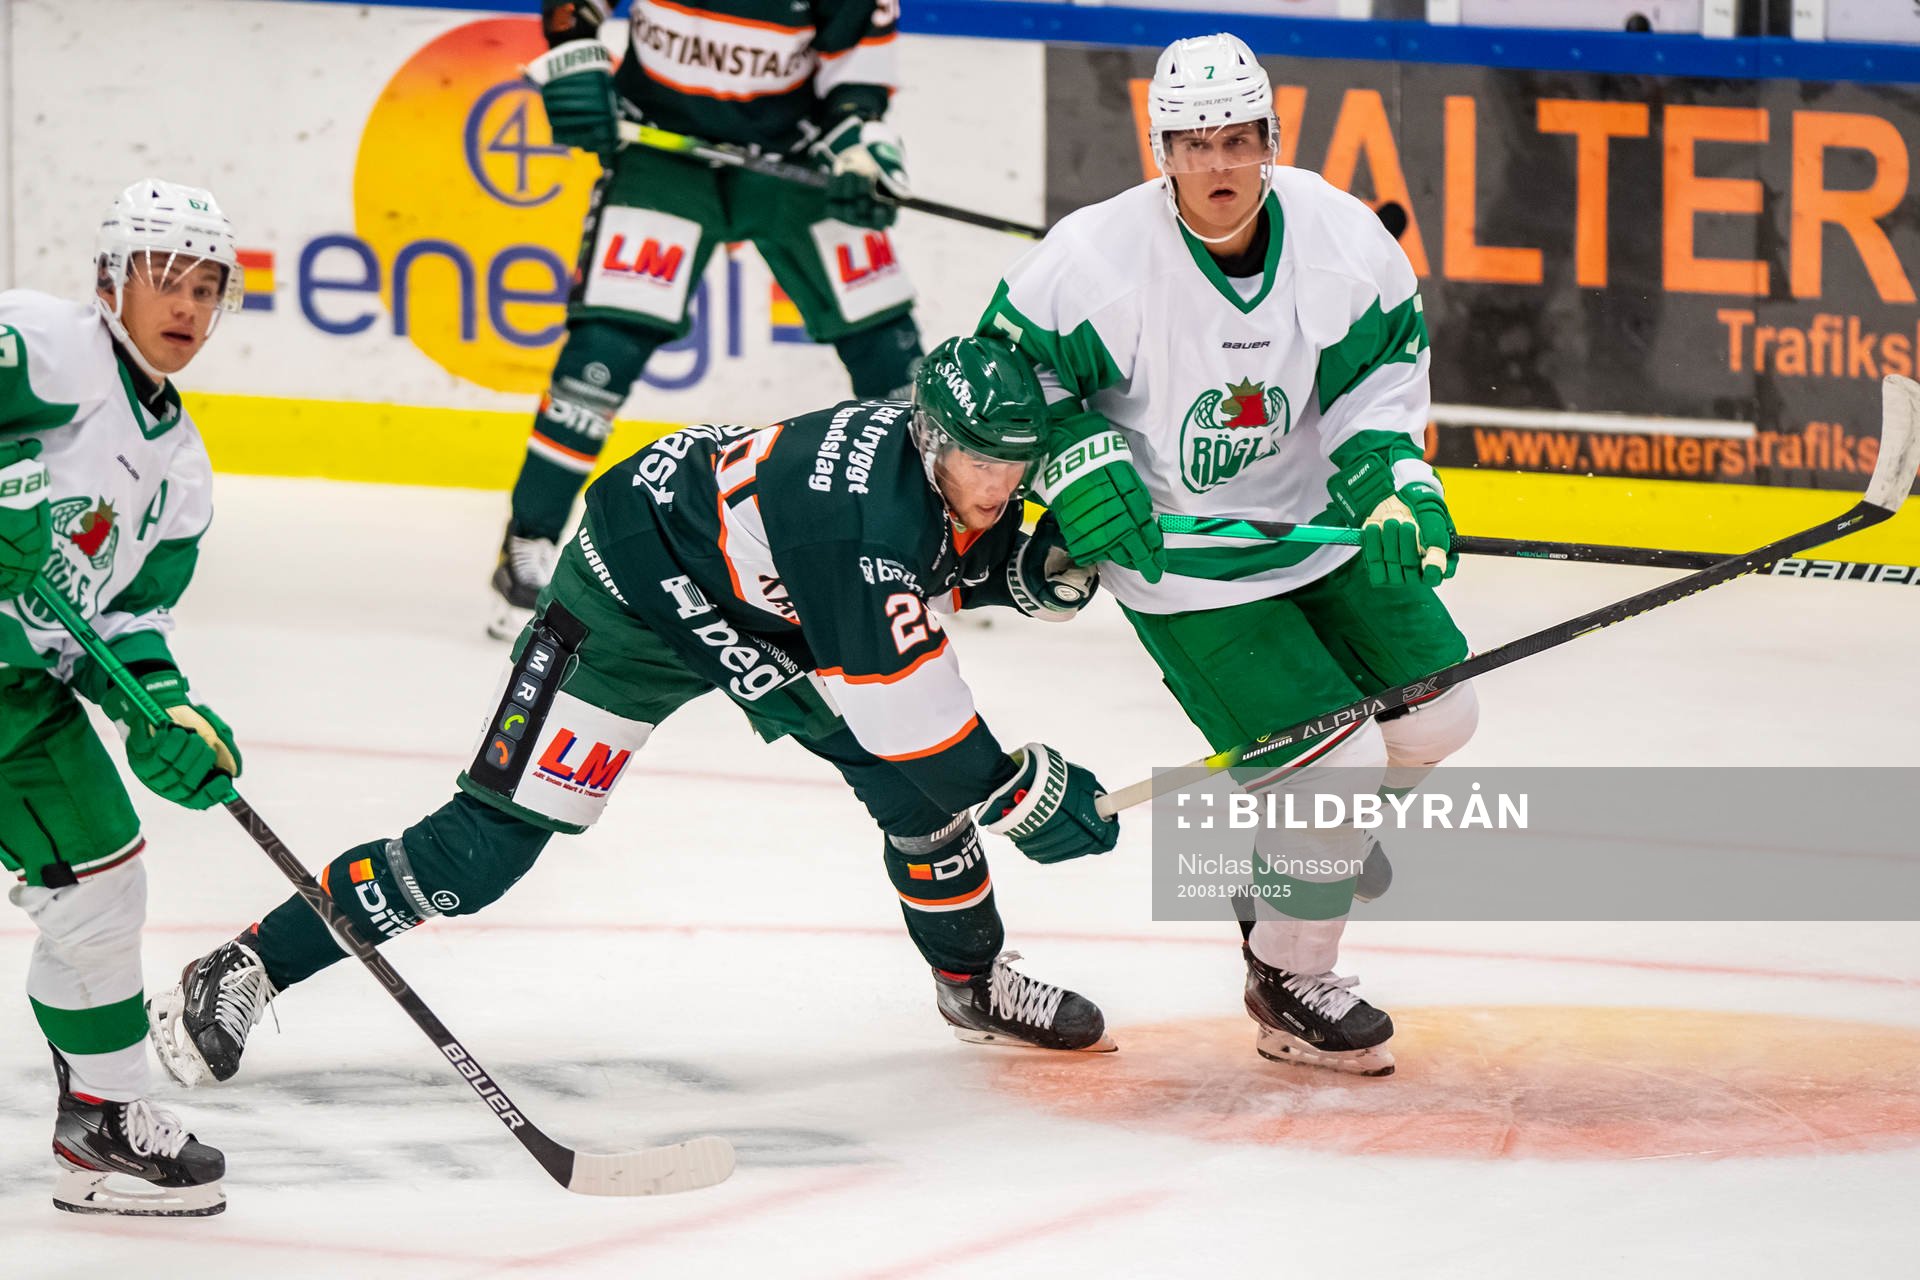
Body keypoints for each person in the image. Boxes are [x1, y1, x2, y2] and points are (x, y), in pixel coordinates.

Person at [148, 336, 1119, 1090]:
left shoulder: (917, 472)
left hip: (760, 595)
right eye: (982, 466)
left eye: (1013, 467)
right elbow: (920, 716)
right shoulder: (862, 520)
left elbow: (937, 562)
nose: (998, 488)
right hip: (631, 587)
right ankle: (247, 964)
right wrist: (1016, 788)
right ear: (934, 440)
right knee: (479, 853)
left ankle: (972, 980)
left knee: (911, 793)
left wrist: (1017, 569)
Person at [978, 34, 1480, 1076]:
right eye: (1194, 143)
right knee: (1333, 771)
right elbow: (1006, 374)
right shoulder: (1096, 259)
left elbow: (1378, 383)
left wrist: (1397, 484)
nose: (1218, 166)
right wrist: (1074, 458)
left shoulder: (1341, 242)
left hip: (1315, 525)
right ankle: (1289, 977)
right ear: (1159, 147)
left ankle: (1290, 862)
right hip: (1184, 565)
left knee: (1440, 714)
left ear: (1271, 139)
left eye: (1238, 140)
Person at [491, 0, 924, 637]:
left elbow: (854, 72)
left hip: (790, 156)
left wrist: (859, 145)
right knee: (600, 357)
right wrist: (574, 54)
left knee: (890, 352)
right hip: (662, 150)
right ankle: (527, 544)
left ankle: (935, 547)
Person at [0, 179, 245, 1214]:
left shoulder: (178, 469)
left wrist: (166, 715)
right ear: (110, 280)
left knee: (101, 882)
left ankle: (104, 1117)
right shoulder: (42, 346)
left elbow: (130, 622)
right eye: (163, 280)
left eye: (205, 288)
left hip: (19, 694)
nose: (185, 306)